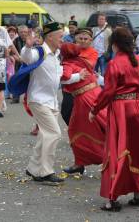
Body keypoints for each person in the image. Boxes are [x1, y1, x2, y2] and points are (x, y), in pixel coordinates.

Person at [89, 27, 139, 211]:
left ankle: (113, 198)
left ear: (115, 44)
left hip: (121, 110)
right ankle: (138, 194)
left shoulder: (114, 63)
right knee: (138, 150)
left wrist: (95, 109)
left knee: (117, 149)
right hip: (138, 107)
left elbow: (109, 91)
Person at [21, 22, 66, 183]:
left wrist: (78, 77)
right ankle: (46, 171)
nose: (63, 38)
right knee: (54, 133)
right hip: (38, 100)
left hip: (51, 102)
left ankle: (33, 169)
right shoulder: (39, 51)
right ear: (50, 37)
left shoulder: (56, 54)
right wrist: (27, 47)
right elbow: (27, 58)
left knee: (45, 135)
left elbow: (60, 77)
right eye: (60, 36)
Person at [61, 43, 107, 174]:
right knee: (100, 125)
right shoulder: (82, 60)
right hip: (94, 93)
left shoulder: (67, 64)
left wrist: (76, 76)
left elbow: (64, 77)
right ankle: (80, 162)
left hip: (85, 98)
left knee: (80, 129)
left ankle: (110, 158)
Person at [12, 25, 29, 104]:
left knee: (30, 80)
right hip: (18, 64)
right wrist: (18, 59)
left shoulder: (30, 40)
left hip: (29, 64)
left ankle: (29, 98)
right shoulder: (15, 41)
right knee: (17, 80)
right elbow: (12, 53)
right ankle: (15, 98)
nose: (23, 34)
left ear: (27, 32)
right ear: (18, 33)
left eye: (25, 32)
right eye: (21, 32)